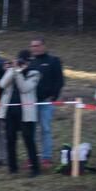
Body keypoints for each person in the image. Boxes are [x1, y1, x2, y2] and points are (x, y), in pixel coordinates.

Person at [0, 50, 41, 177]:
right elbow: (2, 84)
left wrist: (18, 72)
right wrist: (13, 70)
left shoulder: (34, 73)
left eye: (25, 61)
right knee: (10, 139)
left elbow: (24, 88)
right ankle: (12, 168)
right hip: (10, 111)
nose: (23, 63)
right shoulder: (13, 70)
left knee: (28, 140)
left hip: (26, 112)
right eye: (21, 61)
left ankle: (35, 168)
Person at [28, 37, 64, 166]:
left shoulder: (53, 61)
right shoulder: (30, 62)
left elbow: (59, 80)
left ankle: (46, 157)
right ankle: (32, 157)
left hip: (45, 102)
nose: (35, 48)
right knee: (31, 131)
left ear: (43, 46)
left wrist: (53, 97)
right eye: (33, 46)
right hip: (30, 102)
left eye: (37, 45)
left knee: (45, 129)